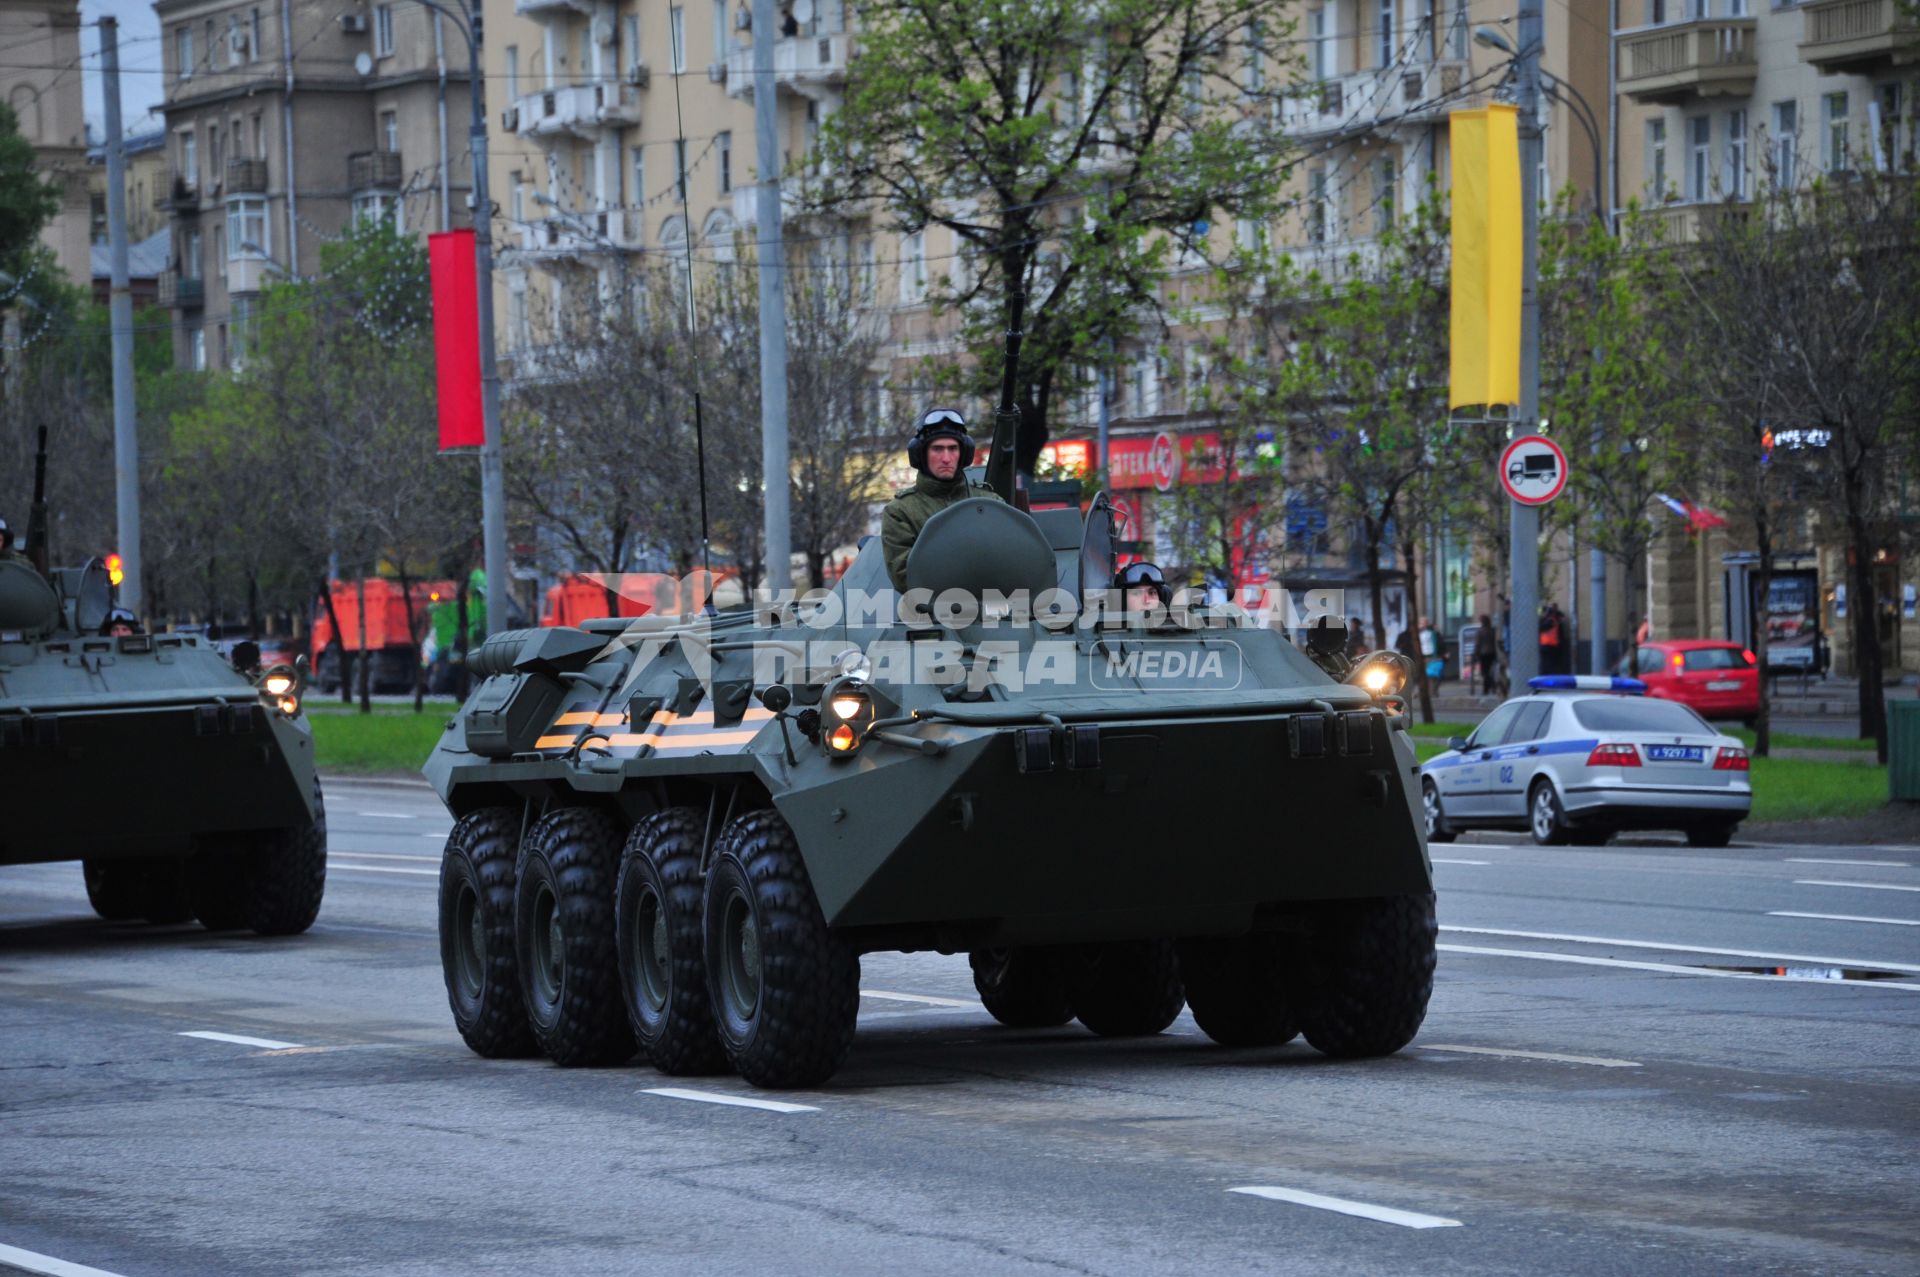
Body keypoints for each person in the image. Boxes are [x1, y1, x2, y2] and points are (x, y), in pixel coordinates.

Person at [879, 408, 1002, 591]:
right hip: (931, 613)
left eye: (953, 449)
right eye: (937, 449)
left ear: (964, 454)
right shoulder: (901, 511)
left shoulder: (991, 503)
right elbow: (904, 575)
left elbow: (1011, 558)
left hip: (992, 608)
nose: (946, 458)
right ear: (921, 454)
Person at [1473, 612, 1498, 695]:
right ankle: (1490, 688)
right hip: (1492, 653)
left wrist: (1476, 654)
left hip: (1483, 654)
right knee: (1490, 671)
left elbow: (1477, 644)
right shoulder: (1492, 630)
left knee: (1485, 672)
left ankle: (1488, 688)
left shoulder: (1480, 631)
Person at [1419, 617, 1443, 685]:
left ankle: (1432, 689)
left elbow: (1437, 642)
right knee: (1424, 674)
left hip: (1431, 654)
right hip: (1422, 655)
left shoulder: (1432, 632)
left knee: (1431, 673)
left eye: (1425, 623)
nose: (1423, 625)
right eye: (1422, 623)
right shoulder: (1418, 633)